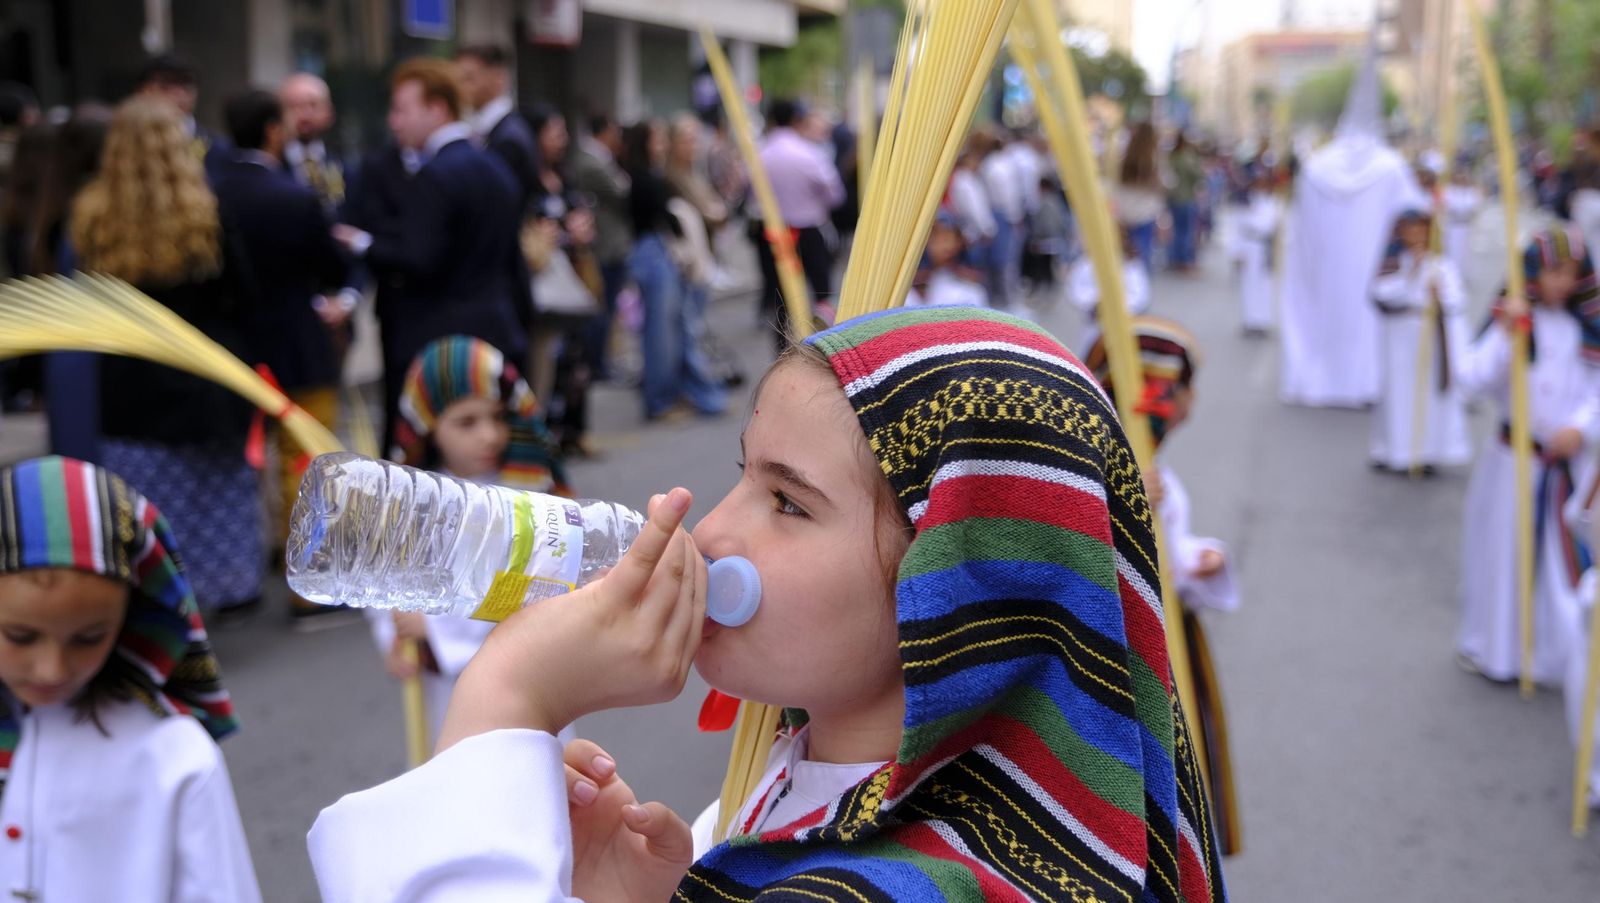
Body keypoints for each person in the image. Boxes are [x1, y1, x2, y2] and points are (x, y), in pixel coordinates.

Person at [307, 307, 1227, 902]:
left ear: (955, 589)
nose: (708, 531)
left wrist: (506, 696)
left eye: (788, 502)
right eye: (742, 474)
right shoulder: (806, 788)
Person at [0, 455, 259, 900]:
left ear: (133, 615)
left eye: (89, 638)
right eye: (21, 636)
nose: (52, 669)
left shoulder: (172, 754)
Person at [71, 96, 264, 616]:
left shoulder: (92, 217)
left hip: (129, 384)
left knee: (145, 502)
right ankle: (222, 593)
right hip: (203, 377)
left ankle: (154, 599)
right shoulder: (205, 213)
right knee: (214, 497)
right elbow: (243, 298)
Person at [1085, 316, 1242, 854]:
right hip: (1125, 652)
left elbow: (1166, 556)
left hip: (1169, 635)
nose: (1192, 399)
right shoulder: (1097, 474)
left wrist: (1198, 559)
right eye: (1184, 386)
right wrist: (1122, 501)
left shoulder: (1153, 473)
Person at [374, 335, 573, 742]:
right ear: (428, 427)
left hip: (531, 675)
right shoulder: (417, 498)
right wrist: (394, 635)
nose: (489, 435)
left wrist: (436, 629)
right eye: (466, 422)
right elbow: (385, 575)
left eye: (498, 417)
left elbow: (531, 589)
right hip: (452, 689)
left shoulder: (528, 495)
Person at [334, 58, 531, 446]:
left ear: (437, 109)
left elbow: (419, 259)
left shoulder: (435, 175)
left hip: (438, 345)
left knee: (436, 464)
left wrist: (363, 244)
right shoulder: (495, 168)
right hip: (496, 330)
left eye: (402, 110)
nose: (394, 122)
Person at [212, 88, 353, 626]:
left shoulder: (208, 192)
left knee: (244, 463)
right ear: (273, 130)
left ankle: (252, 564)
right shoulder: (294, 197)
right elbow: (333, 267)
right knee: (306, 463)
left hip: (234, 350)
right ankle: (311, 586)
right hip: (298, 345)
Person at [1457, 227, 1600, 684]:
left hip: (1567, 466)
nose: (1562, 282)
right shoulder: (1516, 322)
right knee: (1505, 556)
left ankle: (1557, 659)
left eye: (1571, 273)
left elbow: (1595, 391)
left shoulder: (1586, 328)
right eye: (1554, 271)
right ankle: (1498, 650)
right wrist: (1506, 333)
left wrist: (1581, 427)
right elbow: (1472, 379)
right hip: (1512, 462)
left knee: (1561, 566)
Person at [1279, 47, 1425, 408]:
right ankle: (1362, 382)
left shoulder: (1317, 167)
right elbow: (1418, 212)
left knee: (1325, 318)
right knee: (1364, 324)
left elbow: (1301, 227)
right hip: (1371, 271)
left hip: (1325, 270)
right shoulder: (1391, 167)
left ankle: (1322, 377)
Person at [623, 119, 726, 421]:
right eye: (657, 140)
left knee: (674, 329)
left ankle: (680, 395)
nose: (663, 146)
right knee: (662, 332)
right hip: (655, 255)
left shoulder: (657, 174)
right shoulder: (646, 177)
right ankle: (660, 400)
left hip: (663, 254)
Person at [1368, 209, 1471, 474]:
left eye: (1421, 230)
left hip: (1430, 336)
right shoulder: (1394, 262)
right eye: (1410, 231)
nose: (1416, 236)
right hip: (1399, 337)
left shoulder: (1441, 264)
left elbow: (1457, 300)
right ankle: (1396, 451)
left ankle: (1427, 452)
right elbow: (1380, 293)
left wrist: (1440, 294)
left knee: (1429, 395)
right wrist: (1410, 275)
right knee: (1399, 392)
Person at [755, 99, 845, 345]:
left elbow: (749, 191)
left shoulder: (760, 153)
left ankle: (782, 349)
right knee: (822, 291)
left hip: (775, 233)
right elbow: (834, 193)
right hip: (809, 231)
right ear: (797, 120)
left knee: (781, 296)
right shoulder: (809, 153)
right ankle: (827, 345)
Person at [571, 113, 633, 382]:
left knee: (608, 308)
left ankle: (602, 361)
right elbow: (622, 193)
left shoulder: (599, 159)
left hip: (611, 244)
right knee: (603, 308)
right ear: (604, 131)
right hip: (605, 246)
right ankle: (598, 364)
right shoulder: (592, 162)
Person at [457, 44, 540, 211]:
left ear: (498, 77)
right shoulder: (491, 129)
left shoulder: (508, 138)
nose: (460, 86)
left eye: (469, 78)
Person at [135, 53, 229, 179]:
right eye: (165, 86)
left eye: (187, 85)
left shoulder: (216, 148)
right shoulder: (126, 144)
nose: (179, 93)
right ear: (143, 90)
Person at [279, 72, 355, 217]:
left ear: (329, 112)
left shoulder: (346, 168)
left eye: (313, 105)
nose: (304, 114)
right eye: (294, 106)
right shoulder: (272, 167)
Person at [1069, 222, 1150, 354]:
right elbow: (1076, 289)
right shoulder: (1086, 263)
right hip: (1094, 325)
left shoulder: (1130, 265)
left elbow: (1140, 295)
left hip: (1123, 326)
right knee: (1091, 355)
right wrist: (1094, 301)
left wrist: (1118, 306)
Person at [904, 213, 988, 308]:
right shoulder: (901, 282)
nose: (947, 246)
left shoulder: (968, 290)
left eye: (948, 238)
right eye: (936, 236)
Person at [1113, 121, 1165, 273]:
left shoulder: (1125, 155)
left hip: (1125, 209)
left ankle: (1128, 279)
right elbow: (1161, 183)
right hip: (1145, 210)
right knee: (1144, 250)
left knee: (1127, 250)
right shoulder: (1154, 158)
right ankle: (1140, 281)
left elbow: (1117, 182)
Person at [1236, 167, 1280, 336]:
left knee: (1265, 285)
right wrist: (1237, 252)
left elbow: (1270, 225)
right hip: (1249, 246)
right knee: (1248, 284)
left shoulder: (1273, 202)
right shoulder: (1246, 202)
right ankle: (1250, 320)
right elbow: (1239, 228)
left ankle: (1263, 321)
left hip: (1264, 247)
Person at [1439, 160, 1482, 281]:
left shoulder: (1470, 191)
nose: (1460, 177)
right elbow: (1446, 206)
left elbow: (1475, 207)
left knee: (1466, 253)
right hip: (1453, 226)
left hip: (1466, 226)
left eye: (1462, 175)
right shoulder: (1448, 191)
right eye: (1458, 175)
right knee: (1453, 252)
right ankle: (1452, 276)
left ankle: (1463, 276)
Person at [1167, 130, 1203, 273]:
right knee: (1186, 231)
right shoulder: (1186, 157)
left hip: (1173, 197)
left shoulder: (1172, 156)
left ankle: (1174, 259)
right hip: (1185, 197)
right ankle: (1184, 261)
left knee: (1176, 230)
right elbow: (1197, 175)